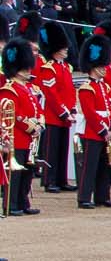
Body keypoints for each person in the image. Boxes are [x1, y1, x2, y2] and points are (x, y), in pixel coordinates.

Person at [72, 31, 111, 210]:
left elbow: (108, 110)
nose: (104, 69)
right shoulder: (86, 88)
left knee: (103, 166)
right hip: (93, 132)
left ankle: (102, 196)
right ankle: (84, 197)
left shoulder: (103, 86)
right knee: (89, 166)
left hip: (105, 130)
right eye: (101, 66)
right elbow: (90, 113)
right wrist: (103, 130)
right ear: (94, 67)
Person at [33, 21, 77, 195]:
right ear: (55, 49)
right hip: (53, 115)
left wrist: (72, 109)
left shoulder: (66, 67)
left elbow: (70, 91)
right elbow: (51, 94)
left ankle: (61, 178)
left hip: (66, 115)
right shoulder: (48, 69)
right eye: (63, 47)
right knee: (52, 149)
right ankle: (49, 180)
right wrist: (63, 112)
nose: (66, 50)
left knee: (62, 148)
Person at [3, 37, 40, 216]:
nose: (28, 70)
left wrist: (39, 123)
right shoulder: (9, 89)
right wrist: (30, 126)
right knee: (15, 175)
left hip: (30, 138)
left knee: (27, 173)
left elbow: (37, 109)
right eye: (25, 67)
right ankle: (11, 204)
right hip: (17, 137)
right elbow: (13, 115)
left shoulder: (28, 88)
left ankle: (23, 201)